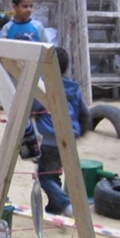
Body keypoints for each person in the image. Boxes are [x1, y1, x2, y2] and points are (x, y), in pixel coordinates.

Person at [32, 47, 91, 217]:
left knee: (44, 176)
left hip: (50, 140)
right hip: (69, 137)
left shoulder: (44, 87)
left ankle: (64, 204)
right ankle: (54, 207)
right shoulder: (74, 88)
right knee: (54, 172)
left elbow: (32, 111)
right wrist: (77, 134)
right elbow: (85, 115)